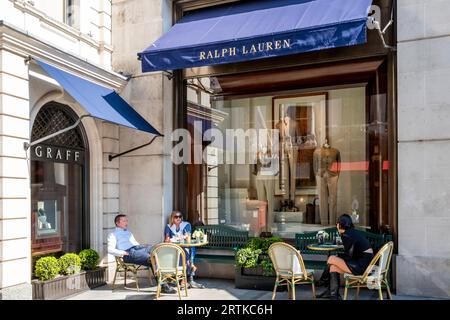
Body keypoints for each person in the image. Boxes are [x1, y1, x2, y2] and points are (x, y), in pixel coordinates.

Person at [107, 214, 176, 294]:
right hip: (128, 253)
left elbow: (135, 244)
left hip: (137, 248)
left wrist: (143, 249)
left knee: (158, 250)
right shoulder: (112, 234)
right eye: (124, 221)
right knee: (152, 259)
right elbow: (110, 249)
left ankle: (166, 279)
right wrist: (122, 253)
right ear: (117, 223)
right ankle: (164, 285)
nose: (127, 222)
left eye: (127, 220)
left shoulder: (128, 232)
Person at [316, 214, 374, 300]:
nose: (336, 226)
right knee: (333, 267)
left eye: (337, 224)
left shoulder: (346, 235)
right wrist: (338, 257)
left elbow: (349, 256)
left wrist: (338, 257)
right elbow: (351, 253)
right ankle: (333, 294)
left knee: (331, 258)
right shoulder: (351, 232)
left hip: (362, 266)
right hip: (366, 264)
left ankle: (323, 280)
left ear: (340, 225)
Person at [164, 211, 204, 289]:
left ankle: (184, 279)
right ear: (172, 218)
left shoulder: (186, 225)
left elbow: (187, 236)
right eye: (176, 217)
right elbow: (167, 239)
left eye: (180, 216)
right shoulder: (168, 226)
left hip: (185, 247)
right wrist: (172, 239)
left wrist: (180, 238)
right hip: (174, 248)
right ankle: (186, 277)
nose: (178, 218)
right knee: (181, 253)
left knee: (186, 251)